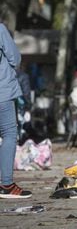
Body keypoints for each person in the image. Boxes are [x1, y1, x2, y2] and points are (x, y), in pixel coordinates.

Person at [0, 22, 32, 198]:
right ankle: (6, 184)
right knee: (9, 133)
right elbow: (15, 58)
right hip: (2, 92)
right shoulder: (0, 29)